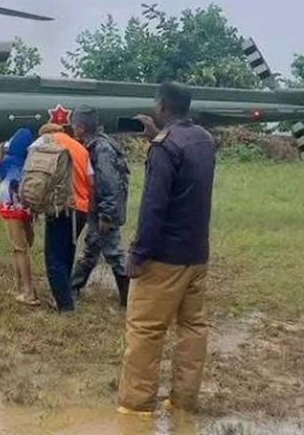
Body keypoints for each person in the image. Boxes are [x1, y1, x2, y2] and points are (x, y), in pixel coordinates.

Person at [118, 82, 216, 416]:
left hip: (164, 258)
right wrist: (155, 140)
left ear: (161, 107)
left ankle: (136, 406)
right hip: (197, 255)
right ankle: (183, 401)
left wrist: (138, 254)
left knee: (146, 330)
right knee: (192, 328)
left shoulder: (165, 147)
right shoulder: (203, 139)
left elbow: (154, 207)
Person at [68, 106, 132, 308]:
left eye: (74, 126)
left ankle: (129, 297)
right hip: (99, 209)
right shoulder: (95, 145)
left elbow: (109, 184)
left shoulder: (101, 149)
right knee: (92, 248)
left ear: (80, 127)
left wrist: (107, 215)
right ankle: (74, 287)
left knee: (113, 252)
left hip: (105, 211)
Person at [33, 122, 91, 312]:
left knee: (54, 258)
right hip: (82, 209)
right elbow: (91, 180)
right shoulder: (80, 148)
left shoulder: (46, 141)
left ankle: (65, 306)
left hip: (61, 208)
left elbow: (33, 169)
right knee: (67, 254)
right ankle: (66, 297)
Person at [0, 127, 38, 305]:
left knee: (20, 250)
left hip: (11, 210)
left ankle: (28, 293)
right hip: (27, 210)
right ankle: (18, 286)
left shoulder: (7, 161)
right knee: (22, 247)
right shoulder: (30, 162)